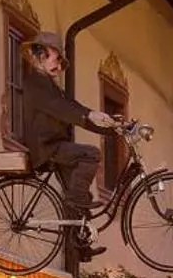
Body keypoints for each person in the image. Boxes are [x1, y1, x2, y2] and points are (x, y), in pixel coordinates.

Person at [22, 35, 116, 265]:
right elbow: (61, 109)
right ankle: (73, 205)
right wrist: (88, 115)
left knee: (81, 195)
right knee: (91, 154)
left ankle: (79, 245)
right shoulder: (35, 82)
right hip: (46, 146)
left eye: (63, 63)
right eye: (57, 59)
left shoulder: (50, 84)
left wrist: (112, 127)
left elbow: (73, 107)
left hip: (55, 144)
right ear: (40, 55)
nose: (60, 66)